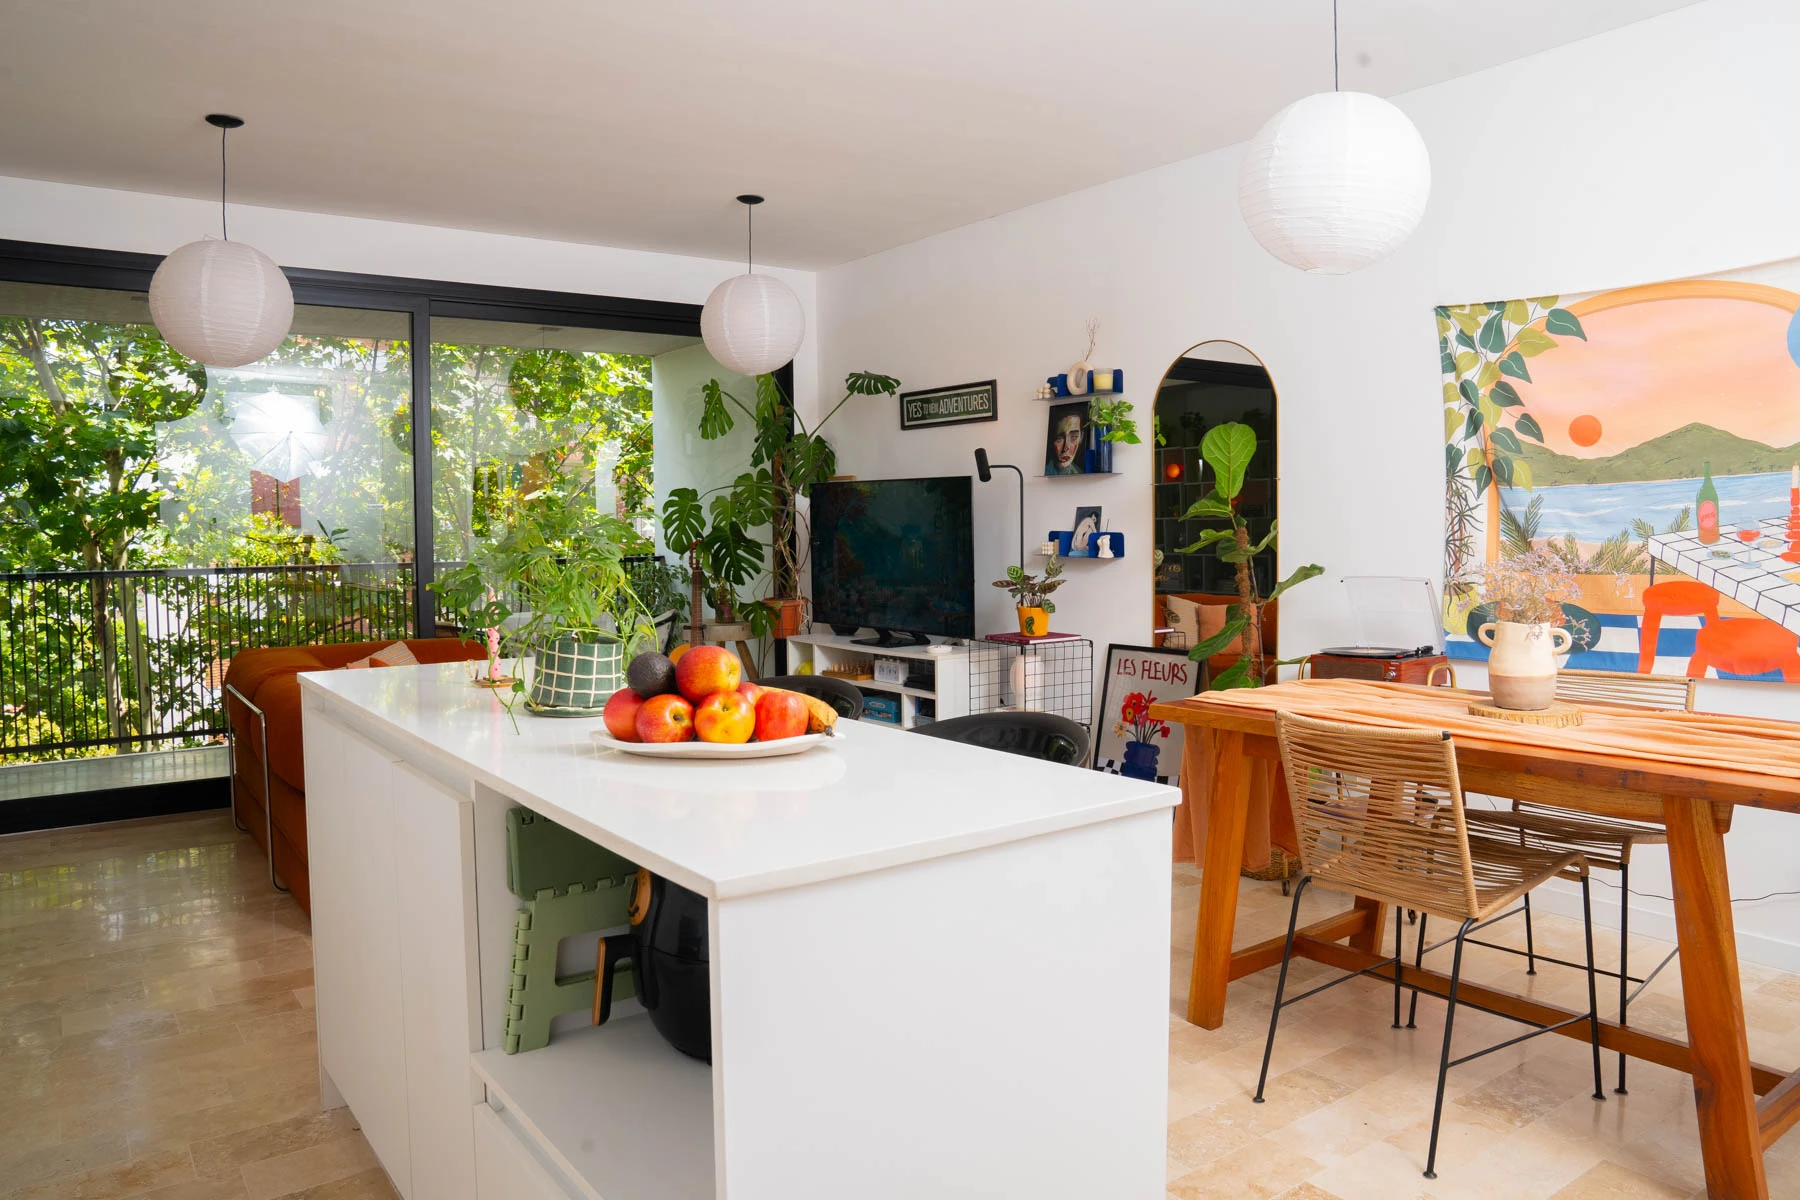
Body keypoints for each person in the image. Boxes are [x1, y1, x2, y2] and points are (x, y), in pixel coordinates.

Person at [1046, 406, 1087, 475]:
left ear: (1081, 437)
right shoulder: (1048, 470)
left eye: (1074, 437)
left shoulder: (1078, 472)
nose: (1066, 448)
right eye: (1059, 438)